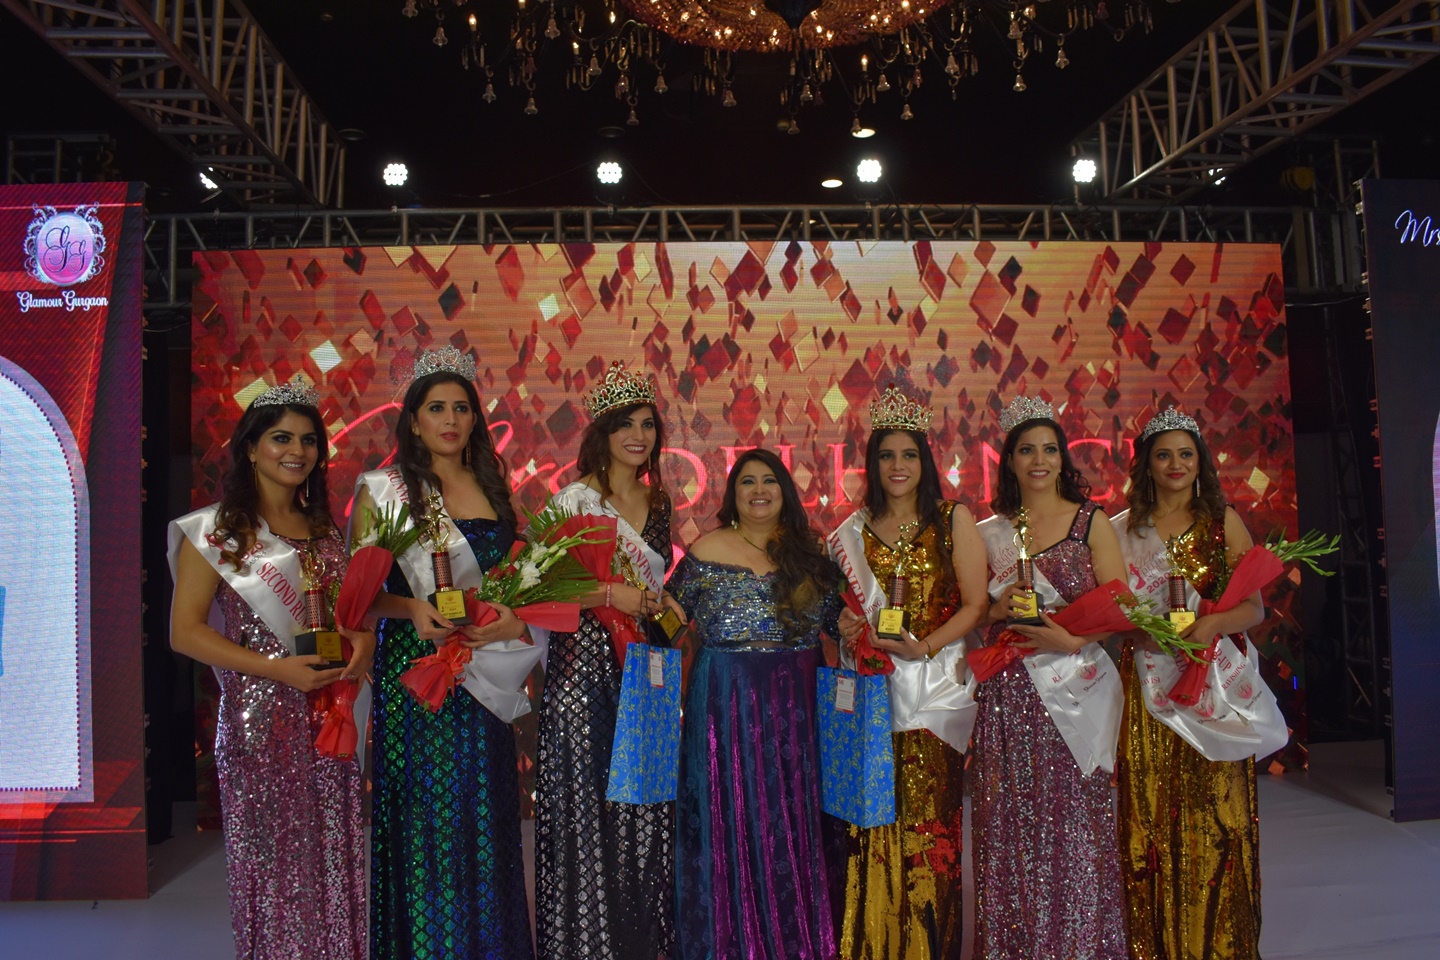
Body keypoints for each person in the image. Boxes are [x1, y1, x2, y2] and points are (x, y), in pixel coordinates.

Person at [168, 377, 370, 960]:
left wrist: (361, 644)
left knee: (333, 863)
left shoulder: (327, 530)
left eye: (308, 441)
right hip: (261, 725)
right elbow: (186, 634)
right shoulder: (217, 531)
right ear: (251, 447)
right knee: (277, 875)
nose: (297, 451)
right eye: (281, 438)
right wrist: (277, 670)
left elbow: (348, 617)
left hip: (329, 719)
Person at [352, 347, 533, 960]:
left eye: (462, 408)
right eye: (437, 408)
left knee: (483, 821)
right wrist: (410, 610)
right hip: (418, 676)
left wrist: (513, 614)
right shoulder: (385, 491)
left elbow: (514, 583)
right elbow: (356, 600)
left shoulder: (492, 486)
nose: (451, 419)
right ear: (413, 420)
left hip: (482, 673)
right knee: (426, 825)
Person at [827, 386, 988, 960]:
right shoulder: (850, 532)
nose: (898, 467)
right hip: (871, 696)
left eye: (909, 455)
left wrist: (925, 647)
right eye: (887, 456)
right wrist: (845, 624)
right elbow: (839, 610)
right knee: (869, 829)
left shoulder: (951, 519)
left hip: (934, 696)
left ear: (925, 461)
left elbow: (976, 604)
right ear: (872, 466)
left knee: (929, 833)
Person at [969, 396, 1128, 960]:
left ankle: (1082, 946)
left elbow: (1120, 606)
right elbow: (974, 610)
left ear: (1063, 458)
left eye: (1049, 449)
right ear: (1009, 460)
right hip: (1008, 696)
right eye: (1026, 450)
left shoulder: (1092, 521)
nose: (1039, 459)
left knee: (1074, 826)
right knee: (1009, 825)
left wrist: (1070, 639)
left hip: (1074, 689)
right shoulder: (988, 531)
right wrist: (995, 608)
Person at [669, 448, 843, 960]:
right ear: (733, 493)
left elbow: (838, 622)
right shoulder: (706, 550)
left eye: (769, 480)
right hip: (727, 704)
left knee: (794, 816)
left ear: (784, 491)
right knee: (732, 815)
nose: (759, 490)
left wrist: (856, 627)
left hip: (798, 706)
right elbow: (670, 621)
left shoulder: (808, 553)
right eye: (747, 482)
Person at [534, 361, 678, 960]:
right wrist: (612, 595)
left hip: (640, 670)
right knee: (584, 806)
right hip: (579, 667)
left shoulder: (658, 500)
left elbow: (652, 584)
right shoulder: (572, 500)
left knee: (642, 811)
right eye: (625, 424)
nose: (638, 435)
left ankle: (640, 942)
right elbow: (540, 585)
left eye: (647, 424)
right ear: (602, 432)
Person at [1114, 406, 1264, 960]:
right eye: (1163, 455)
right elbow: (1113, 612)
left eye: (1186, 453)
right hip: (1150, 687)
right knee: (1149, 815)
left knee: (1215, 815)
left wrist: (1210, 626)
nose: (1176, 464)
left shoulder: (1222, 521)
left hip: (1210, 686)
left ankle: (1218, 943)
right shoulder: (1121, 530)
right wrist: (1141, 628)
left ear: (1199, 461)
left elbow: (1254, 607)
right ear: (1146, 466)